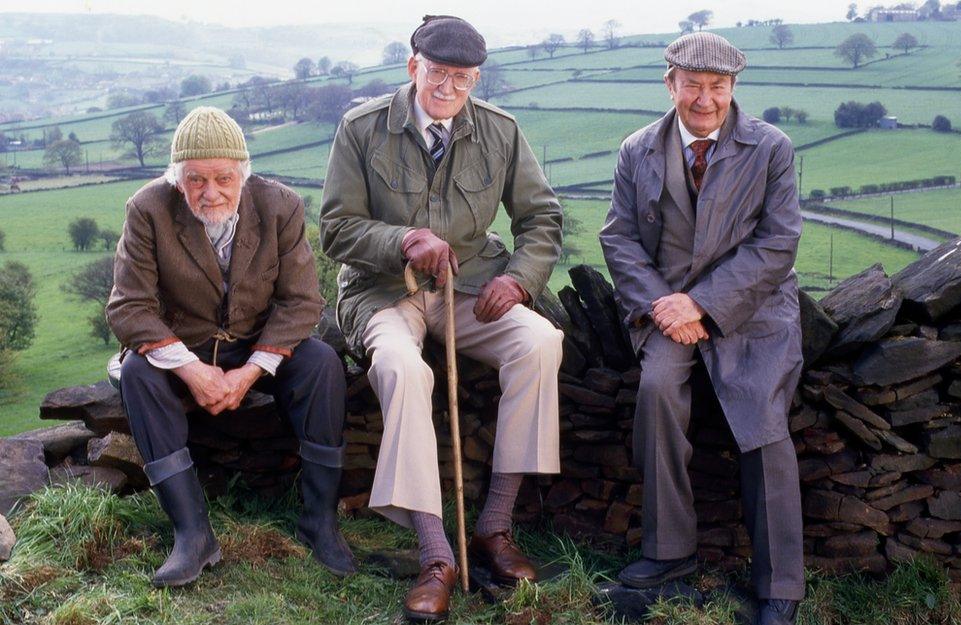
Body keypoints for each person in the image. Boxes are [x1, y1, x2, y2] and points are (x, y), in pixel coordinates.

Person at [320, 15, 563, 622]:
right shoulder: (361, 128)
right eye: (437, 73)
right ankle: (436, 555)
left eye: (462, 77)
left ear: (475, 78)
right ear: (413, 68)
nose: (448, 87)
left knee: (540, 343)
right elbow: (336, 229)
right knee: (403, 368)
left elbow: (541, 218)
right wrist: (405, 240)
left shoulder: (502, 132)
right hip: (382, 292)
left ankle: (494, 530)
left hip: (473, 287)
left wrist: (519, 279)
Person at [599, 32, 805, 625]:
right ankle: (668, 554)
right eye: (693, 85)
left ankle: (779, 585)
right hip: (666, 310)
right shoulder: (636, 148)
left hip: (754, 311)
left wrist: (704, 304)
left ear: (733, 88)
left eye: (718, 87)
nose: (706, 99)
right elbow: (618, 237)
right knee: (657, 392)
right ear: (670, 84)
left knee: (762, 415)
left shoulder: (771, 147)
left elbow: (778, 244)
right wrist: (665, 304)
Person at [107, 106, 355, 587]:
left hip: (259, 343)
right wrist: (191, 370)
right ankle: (192, 535)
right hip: (185, 345)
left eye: (223, 177)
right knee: (138, 373)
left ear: (244, 173)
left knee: (323, 362)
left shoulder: (279, 204)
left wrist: (249, 373)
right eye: (196, 179)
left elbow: (303, 302)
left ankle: (320, 522)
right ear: (178, 179)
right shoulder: (148, 208)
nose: (211, 191)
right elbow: (128, 308)